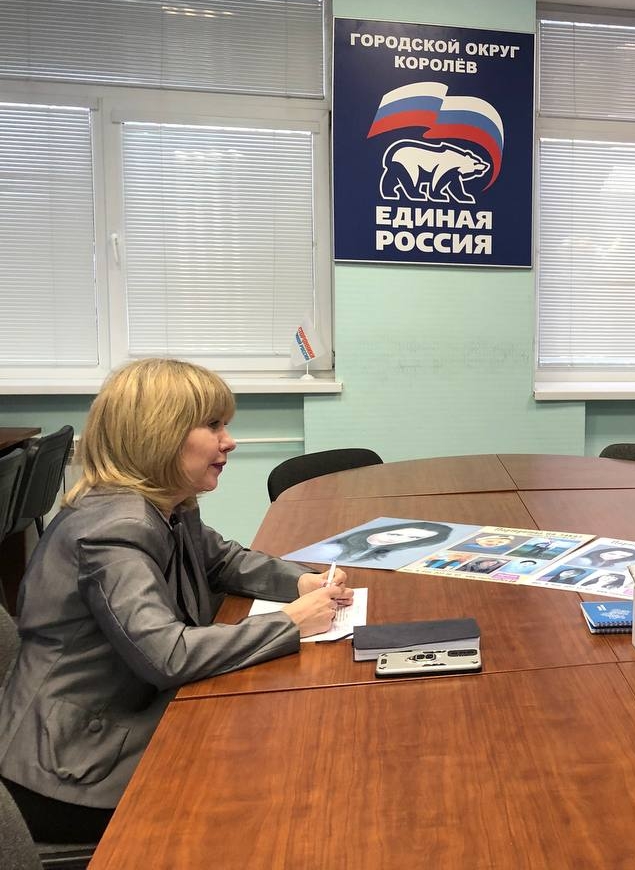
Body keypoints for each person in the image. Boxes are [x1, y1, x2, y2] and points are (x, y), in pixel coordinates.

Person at [0, 358, 354, 844]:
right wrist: (290, 623)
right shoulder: (112, 529)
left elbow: (223, 561)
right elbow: (166, 655)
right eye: (213, 426)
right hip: (72, 766)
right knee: (270, 793)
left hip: (110, 728)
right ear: (159, 434)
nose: (229, 441)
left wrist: (300, 583)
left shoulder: (166, 504)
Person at [322, 520, 454, 566]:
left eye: (413, 538)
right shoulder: (333, 547)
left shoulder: (381, 556)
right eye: (395, 534)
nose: (396, 539)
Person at [570, 545, 635, 569]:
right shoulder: (587, 559)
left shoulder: (608, 564)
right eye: (612, 553)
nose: (614, 557)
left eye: (622, 556)